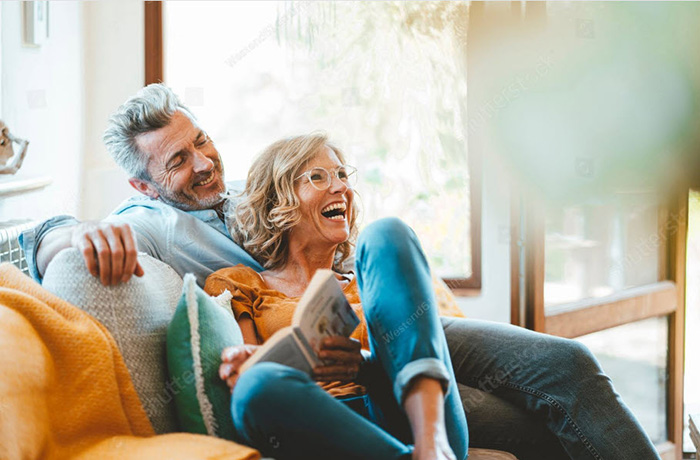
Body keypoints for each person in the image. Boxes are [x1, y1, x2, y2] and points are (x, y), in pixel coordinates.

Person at [19, 84, 661, 459]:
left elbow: (344, 226)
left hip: (389, 326)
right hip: (342, 367)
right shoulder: (154, 224)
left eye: (203, 141)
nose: (206, 162)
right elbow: (24, 243)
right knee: (531, 413)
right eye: (179, 161)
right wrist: (67, 233)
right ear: (143, 183)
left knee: (564, 365)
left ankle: (431, 436)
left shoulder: (250, 189)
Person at [205, 135, 467, 459]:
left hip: (401, 410)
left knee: (385, 233)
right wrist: (246, 363)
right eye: (318, 177)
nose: (341, 187)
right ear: (277, 203)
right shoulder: (239, 283)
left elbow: (425, 342)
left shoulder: (374, 278)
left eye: (342, 175)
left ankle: (433, 443)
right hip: (321, 422)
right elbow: (250, 366)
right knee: (254, 385)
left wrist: (366, 366)